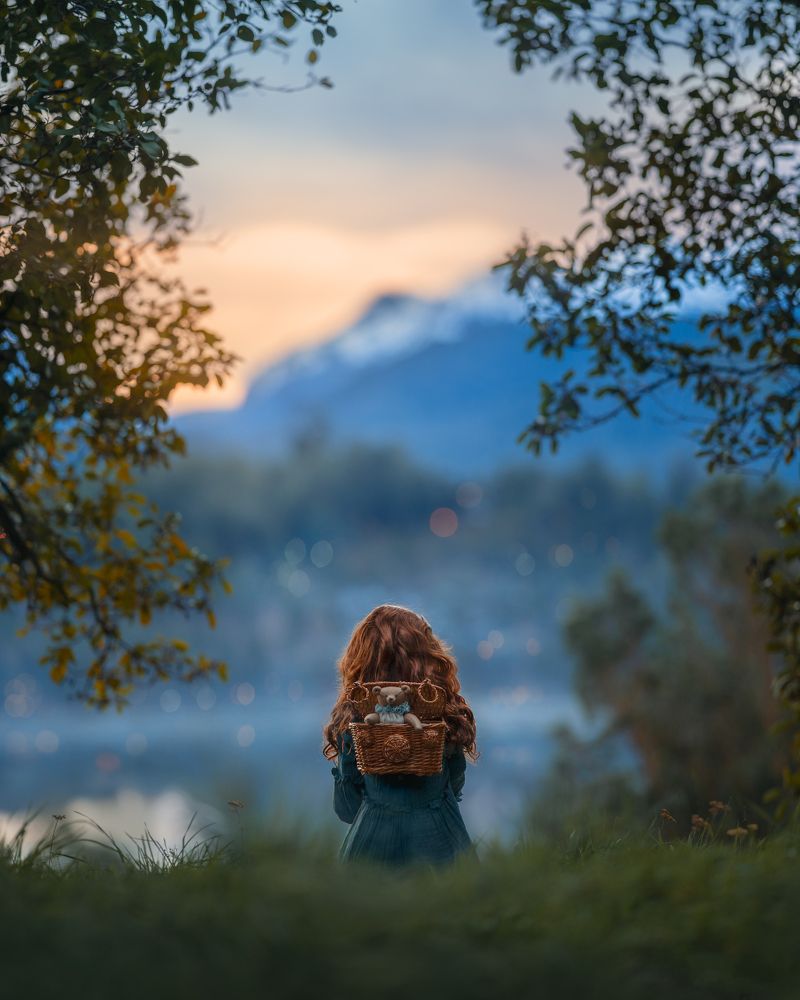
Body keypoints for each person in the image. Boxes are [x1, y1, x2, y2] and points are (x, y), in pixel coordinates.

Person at [322, 604, 479, 867]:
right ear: (428, 658)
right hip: (443, 847)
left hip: (371, 848)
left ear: (362, 661)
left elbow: (347, 808)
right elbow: (455, 785)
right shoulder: (443, 715)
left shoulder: (356, 720)